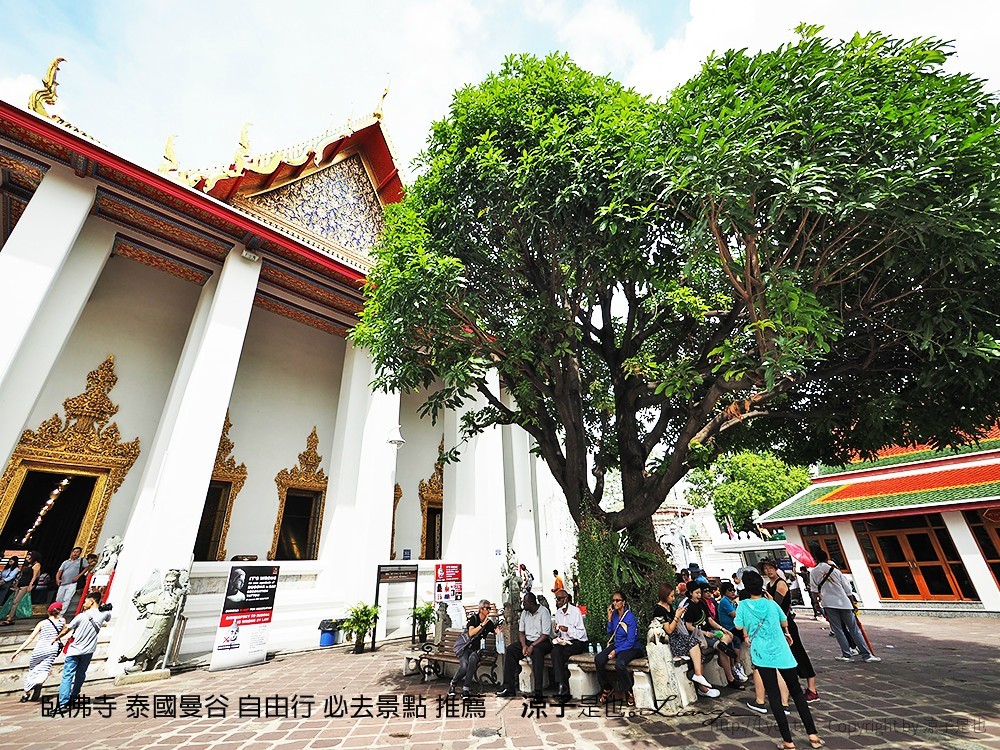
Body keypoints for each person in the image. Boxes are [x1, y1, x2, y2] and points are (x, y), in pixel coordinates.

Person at [734, 571, 824, 750]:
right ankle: (813, 735)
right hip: (783, 653)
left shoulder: (743, 606)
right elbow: (785, 622)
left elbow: (737, 625)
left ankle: (788, 741)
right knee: (797, 693)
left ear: (745, 587)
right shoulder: (772, 604)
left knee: (773, 696)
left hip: (762, 655)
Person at [761, 558, 819, 702]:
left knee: (798, 652)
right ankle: (790, 687)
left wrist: (768, 601)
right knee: (786, 656)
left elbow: (777, 606)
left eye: (770, 568)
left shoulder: (781, 584)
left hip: (787, 624)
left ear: (775, 568)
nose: (768, 571)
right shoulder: (769, 585)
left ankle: (812, 688)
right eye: (766, 569)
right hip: (777, 625)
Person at [809, 549, 880, 663]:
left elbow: (814, 589)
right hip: (844, 602)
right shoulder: (836, 571)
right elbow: (847, 589)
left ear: (815, 559)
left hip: (828, 603)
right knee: (854, 630)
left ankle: (846, 654)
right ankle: (866, 655)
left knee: (838, 630)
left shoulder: (814, 572)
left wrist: (816, 603)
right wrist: (853, 603)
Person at [654, 582, 720, 699]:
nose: (673, 598)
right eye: (671, 596)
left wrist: (679, 614)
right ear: (664, 596)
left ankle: (700, 680)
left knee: (696, 645)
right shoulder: (659, 610)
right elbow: (668, 630)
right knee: (693, 643)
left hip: (678, 636)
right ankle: (701, 684)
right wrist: (676, 616)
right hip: (670, 641)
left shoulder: (670, 606)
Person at [53, 591, 111, 707]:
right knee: (80, 674)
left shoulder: (81, 616)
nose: (84, 604)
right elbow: (109, 616)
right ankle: (74, 695)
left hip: (74, 650)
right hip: (88, 651)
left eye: (86, 601)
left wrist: (56, 638)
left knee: (67, 676)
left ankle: (63, 702)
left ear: (92, 601)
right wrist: (104, 608)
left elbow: (67, 629)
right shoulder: (102, 614)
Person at [683, 582, 743, 689]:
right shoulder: (688, 606)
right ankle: (731, 678)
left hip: (709, 631)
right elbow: (688, 626)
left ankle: (723, 646)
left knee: (728, 637)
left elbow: (710, 620)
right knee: (720, 647)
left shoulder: (701, 604)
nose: (699, 595)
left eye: (699, 593)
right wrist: (705, 633)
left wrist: (722, 629)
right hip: (698, 635)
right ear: (690, 593)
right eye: (696, 593)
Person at [497, 592, 551, 698]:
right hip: (528, 641)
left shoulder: (543, 612)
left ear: (531, 603)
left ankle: (538, 690)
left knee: (537, 652)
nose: (523, 605)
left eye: (525, 603)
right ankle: (509, 687)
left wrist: (532, 646)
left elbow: (545, 634)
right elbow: (521, 632)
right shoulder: (524, 613)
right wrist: (524, 646)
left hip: (542, 641)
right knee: (511, 650)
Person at [11, 602, 66, 702]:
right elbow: (63, 632)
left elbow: (31, 637)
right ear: (59, 611)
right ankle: (39, 683)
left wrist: (17, 651)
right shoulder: (62, 621)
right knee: (45, 668)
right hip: (52, 649)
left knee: (33, 669)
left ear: (48, 612)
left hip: (40, 648)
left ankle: (26, 693)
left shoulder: (42, 623)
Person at [596, 590, 642, 706]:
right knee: (599, 659)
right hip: (618, 644)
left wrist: (616, 651)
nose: (615, 603)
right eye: (613, 600)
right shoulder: (615, 615)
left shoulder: (630, 617)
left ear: (624, 602)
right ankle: (606, 688)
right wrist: (609, 618)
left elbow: (631, 641)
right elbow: (610, 632)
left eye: (618, 600)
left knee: (620, 664)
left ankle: (629, 690)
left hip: (632, 648)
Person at [449, 599, 496, 698]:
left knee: (473, 659)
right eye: (487, 608)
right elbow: (471, 633)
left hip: (477, 650)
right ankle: (453, 683)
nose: (489, 610)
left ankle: (466, 688)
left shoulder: (489, 622)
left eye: (489, 608)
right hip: (466, 648)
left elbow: (495, 630)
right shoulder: (473, 619)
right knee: (464, 666)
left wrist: (499, 630)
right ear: (481, 609)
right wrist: (481, 625)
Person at [550, 590, 588, 699]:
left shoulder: (575, 612)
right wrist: (557, 631)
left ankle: (563, 686)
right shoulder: (558, 613)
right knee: (555, 652)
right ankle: (561, 684)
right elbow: (558, 633)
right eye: (556, 599)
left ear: (566, 599)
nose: (557, 601)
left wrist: (568, 629)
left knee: (562, 654)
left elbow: (582, 633)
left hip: (577, 642)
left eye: (559, 599)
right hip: (564, 642)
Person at [716, 582, 748, 683]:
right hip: (728, 628)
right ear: (725, 592)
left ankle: (738, 664)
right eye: (730, 590)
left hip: (734, 626)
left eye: (733, 589)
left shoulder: (732, 602)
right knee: (737, 639)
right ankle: (737, 665)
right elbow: (735, 615)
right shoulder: (724, 602)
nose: (733, 592)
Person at [1, 551, 41, 625]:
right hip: (19, 584)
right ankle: (11, 617)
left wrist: (31, 585)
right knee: (13, 601)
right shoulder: (27, 564)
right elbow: (21, 574)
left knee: (15, 602)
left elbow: (34, 576)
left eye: (30, 555)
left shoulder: (36, 565)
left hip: (25, 585)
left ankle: (10, 618)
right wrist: (16, 583)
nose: (28, 557)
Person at [55, 547, 87, 614]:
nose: (75, 553)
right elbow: (59, 571)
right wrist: (57, 579)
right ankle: (56, 612)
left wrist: (78, 576)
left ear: (80, 553)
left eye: (77, 552)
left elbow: (87, 568)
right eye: (74, 552)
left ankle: (60, 614)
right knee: (58, 599)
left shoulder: (81, 560)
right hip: (63, 583)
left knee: (67, 599)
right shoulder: (66, 562)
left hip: (72, 583)